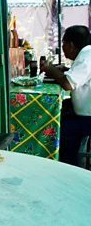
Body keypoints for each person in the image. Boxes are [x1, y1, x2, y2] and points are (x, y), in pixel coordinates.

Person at [40, 25, 91, 166]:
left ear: (72, 45)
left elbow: (68, 83)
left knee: (56, 130)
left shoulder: (88, 55)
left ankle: (68, 166)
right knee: (62, 114)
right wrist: (66, 70)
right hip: (84, 113)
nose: (63, 47)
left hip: (87, 118)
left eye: (63, 43)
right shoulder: (87, 54)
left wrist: (50, 70)